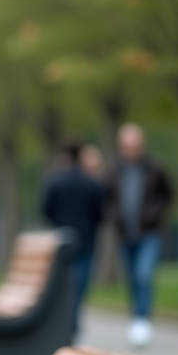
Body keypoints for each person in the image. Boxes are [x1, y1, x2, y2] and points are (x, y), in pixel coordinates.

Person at [106, 123, 174, 347]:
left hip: (149, 232)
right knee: (132, 278)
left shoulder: (154, 168)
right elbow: (106, 198)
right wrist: (115, 216)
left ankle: (142, 320)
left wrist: (155, 213)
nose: (131, 150)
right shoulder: (115, 169)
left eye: (134, 145)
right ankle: (136, 317)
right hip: (125, 233)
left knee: (144, 274)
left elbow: (169, 194)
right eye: (127, 146)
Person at [40, 141, 104, 337]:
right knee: (80, 284)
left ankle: (70, 324)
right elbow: (100, 213)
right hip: (86, 241)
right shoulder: (90, 182)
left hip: (62, 242)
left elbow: (45, 210)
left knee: (67, 285)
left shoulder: (54, 181)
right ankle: (73, 323)